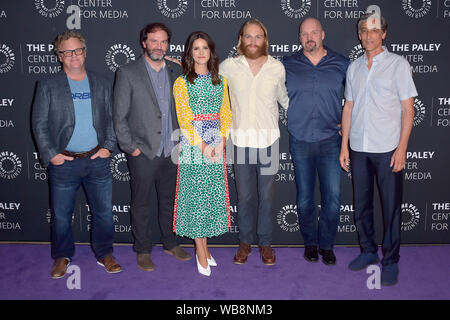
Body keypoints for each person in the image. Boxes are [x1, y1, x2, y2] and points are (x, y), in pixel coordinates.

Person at [32, 30, 121, 279]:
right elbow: (39, 123)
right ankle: (62, 256)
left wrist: (107, 147)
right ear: (59, 56)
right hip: (64, 164)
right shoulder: (48, 85)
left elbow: (114, 119)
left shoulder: (102, 83)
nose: (73, 56)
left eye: (77, 50)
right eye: (67, 52)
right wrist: (52, 155)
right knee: (61, 215)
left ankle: (105, 254)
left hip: (97, 161)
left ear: (85, 51)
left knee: (103, 212)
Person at [340, 8, 417, 286]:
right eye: (364, 31)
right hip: (359, 147)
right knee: (361, 206)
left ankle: (391, 260)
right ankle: (369, 252)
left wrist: (402, 149)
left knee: (392, 208)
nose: (369, 36)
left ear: (383, 34)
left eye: (374, 30)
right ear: (359, 35)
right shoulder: (354, 67)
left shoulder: (398, 65)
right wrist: (344, 146)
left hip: (388, 148)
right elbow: (348, 107)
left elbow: (408, 109)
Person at [113, 23, 192, 271]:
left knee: (169, 201)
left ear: (168, 44)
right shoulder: (127, 72)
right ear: (144, 42)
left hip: (171, 150)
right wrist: (132, 148)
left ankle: (170, 243)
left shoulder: (175, 72)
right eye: (154, 41)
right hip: (143, 152)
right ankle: (143, 249)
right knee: (142, 203)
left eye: (163, 41)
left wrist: (183, 66)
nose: (159, 46)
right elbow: (119, 116)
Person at [220, 19, 289, 266]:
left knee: (267, 197)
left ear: (265, 39)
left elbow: (286, 100)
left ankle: (266, 243)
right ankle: (245, 242)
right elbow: (209, 88)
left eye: (258, 37)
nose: (252, 41)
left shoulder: (276, 68)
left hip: (269, 141)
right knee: (245, 197)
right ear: (241, 39)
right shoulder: (228, 67)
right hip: (239, 142)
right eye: (248, 36)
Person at [283, 18, 349, 265]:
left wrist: (347, 126)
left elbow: (354, 99)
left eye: (313, 33)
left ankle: (327, 245)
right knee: (304, 198)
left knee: (332, 198)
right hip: (300, 139)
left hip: (331, 140)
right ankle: (310, 243)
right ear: (299, 37)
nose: (309, 37)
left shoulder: (342, 63)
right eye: (304, 34)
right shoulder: (287, 64)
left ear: (322, 34)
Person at [173, 31, 232, 277]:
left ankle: (206, 247)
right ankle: (200, 250)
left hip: (216, 146)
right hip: (194, 148)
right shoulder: (182, 82)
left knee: (208, 197)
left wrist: (221, 141)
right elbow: (185, 120)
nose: (200, 52)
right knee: (196, 198)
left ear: (211, 51)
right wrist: (203, 146)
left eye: (204, 48)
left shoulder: (221, 80)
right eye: (195, 48)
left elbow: (226, 113)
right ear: (190, 52)